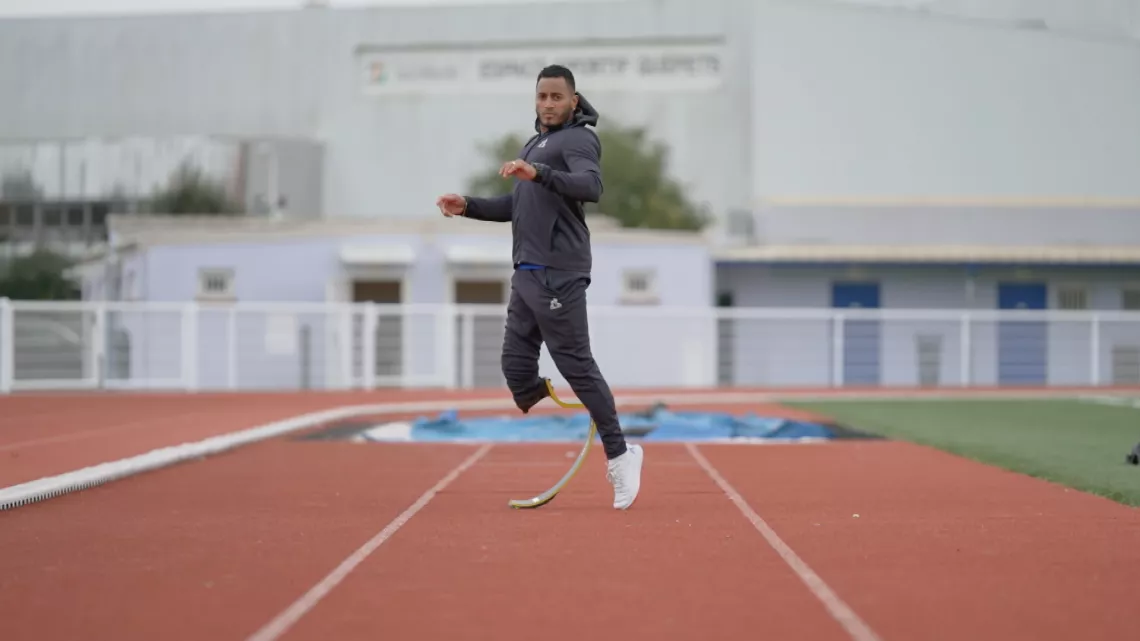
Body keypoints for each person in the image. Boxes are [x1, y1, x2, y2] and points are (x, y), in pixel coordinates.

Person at [435, 64, 644, 510]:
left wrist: (539, 174)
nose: (547, 104)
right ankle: (575, 408)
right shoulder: (533, 145)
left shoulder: (578, 139)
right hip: (527, 272)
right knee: (516, 370)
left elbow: (591, 186)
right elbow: (519, 205)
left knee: (576, 365)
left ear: (573, 100)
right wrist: (467, 205)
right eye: (542, 96)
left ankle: (620, 454)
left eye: (556, 97)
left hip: (558, 271)